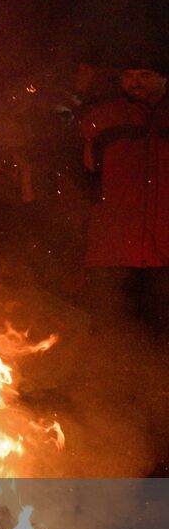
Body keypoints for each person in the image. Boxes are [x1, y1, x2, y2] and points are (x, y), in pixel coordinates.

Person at [80, 44, 169, 337]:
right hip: (113, 252)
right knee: (114, 339)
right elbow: (81, 176)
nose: (136, 82)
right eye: (129, 76)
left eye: (145, 74)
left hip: (163, 253)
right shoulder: (101, 117)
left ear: (163, 78)